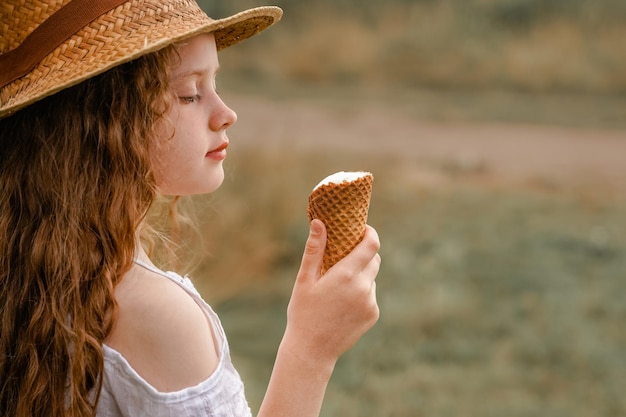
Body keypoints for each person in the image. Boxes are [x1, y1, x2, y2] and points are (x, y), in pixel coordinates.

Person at [0, 1, 381, 417]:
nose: (225, 114)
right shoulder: (157, 318)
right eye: (189, 93)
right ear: (101, 122)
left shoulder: (28, 270)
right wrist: (311, 348)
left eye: (215, 83)